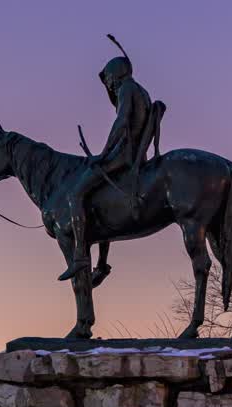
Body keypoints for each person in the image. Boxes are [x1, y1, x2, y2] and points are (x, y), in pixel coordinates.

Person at [59, 37, 163, 285]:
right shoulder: (141, 90)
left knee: (75, 194)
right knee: (98, 198)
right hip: (131, 155)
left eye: (107, 77)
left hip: (122, 156)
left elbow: (122, 121)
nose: (107, 83)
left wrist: (103, 154)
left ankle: (80, 258)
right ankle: (101, 264)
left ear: (116, 73)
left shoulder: (127, 88)